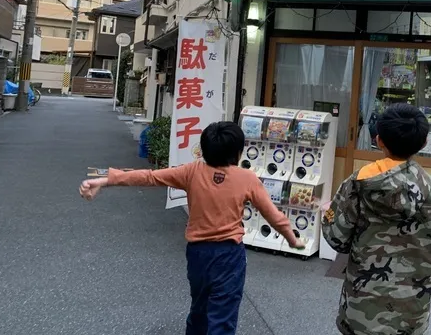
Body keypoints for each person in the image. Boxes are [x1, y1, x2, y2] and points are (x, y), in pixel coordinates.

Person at [79, 121, 304, 335]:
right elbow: (274, 216)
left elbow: (149, 177)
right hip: (228, 256)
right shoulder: (247, 179)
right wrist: (292, 240)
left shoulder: (191, 171)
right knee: (222, 316)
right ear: (237, 153)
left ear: (203, 150)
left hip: (198, 254)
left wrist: (106, 180)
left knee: (199, 310)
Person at [322, 103, 431, 335]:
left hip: (360, 310)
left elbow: (337, 239)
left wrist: (328, 212)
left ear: (378, 141)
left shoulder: (358, 184)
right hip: (411, 314)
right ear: (424, 143)